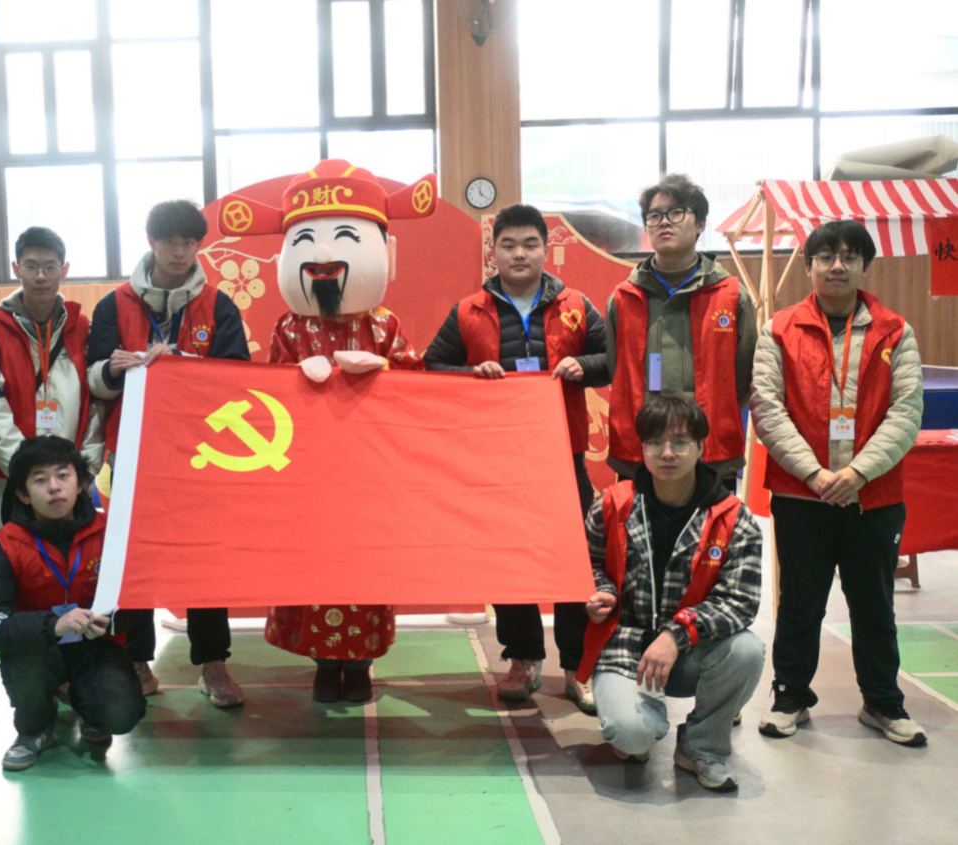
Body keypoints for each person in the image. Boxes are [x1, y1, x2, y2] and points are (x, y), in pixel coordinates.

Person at [216, 159, 437, 702]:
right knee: (311, 566)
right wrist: (297, 378)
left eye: (344, 238)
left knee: (365, 566)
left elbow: (416, 386)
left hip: (369, 477)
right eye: (306, 242)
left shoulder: (385, 324)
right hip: (308, 478)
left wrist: (383, 370)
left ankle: (359, 664)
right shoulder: (288, 328)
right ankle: (322, 661)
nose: (320, 257)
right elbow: (267, 399)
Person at [424, 203, 607, 712]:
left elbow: (613, 359)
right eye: (509, 245)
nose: (519, 253)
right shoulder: (468, 310)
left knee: (574, 561)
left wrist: (583, 365)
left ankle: (577, 667)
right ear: (495, 252)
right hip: (497, 461)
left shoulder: (576, 305)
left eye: (529, 244)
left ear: (546, 250)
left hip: (563, 455)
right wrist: (471, 375)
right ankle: (523, 659)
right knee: (509, 561)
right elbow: (433, 366)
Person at [751, 220, 926, 746]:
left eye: (849, 257)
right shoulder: (778, 329)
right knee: (800, 603)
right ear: (808, 266)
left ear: (864, 266)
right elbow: (766, 407)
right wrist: (814, 473)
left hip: (873, 495)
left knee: (874, 605)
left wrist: (856, 472)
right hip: (800, 495)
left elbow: (907, 411)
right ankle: (790, 697)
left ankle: (882, 702)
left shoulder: (896, 331)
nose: (837, 266)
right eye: (826, 257)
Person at [86, 200, 250, 708]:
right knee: (132, 556)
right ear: (151, 242)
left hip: (199, 456)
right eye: (169, 242)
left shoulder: (219, 306)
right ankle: (138, 661)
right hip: (132, 452)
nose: (179, 252)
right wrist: (116, 370)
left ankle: (213, 662)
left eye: (188, 243)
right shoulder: (114, 305)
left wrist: (179, 365)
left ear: (199, 246)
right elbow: (93, 377)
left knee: (205, 558)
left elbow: (237, 381)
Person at [580, 396, 764, 792]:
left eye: (680, 442)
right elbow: (588, 564)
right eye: (655, 443)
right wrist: (601, 593)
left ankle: (701, 746)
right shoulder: (612, 504)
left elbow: (741, 602)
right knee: (632, 737)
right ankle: (641, 726)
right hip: (626, 646)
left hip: (691, 651)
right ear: (642, 448)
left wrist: (675, 634)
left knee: (747, 650)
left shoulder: (733, 517)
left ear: (700, 448)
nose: (667, 453)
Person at [0, 436, 146, 770]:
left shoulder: (110, 534)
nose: (54, 487)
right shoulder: (8, 542)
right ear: (23, 494)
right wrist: (53, 625)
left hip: (95, 645)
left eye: (63, 475)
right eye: (40, 479)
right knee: (28, 662)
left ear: (81, 483)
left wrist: (112, 622)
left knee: (118, 715)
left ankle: (87, 705)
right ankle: (34, 729)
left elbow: (138, 599)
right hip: (37, 649)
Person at [606, 174, 757, 486]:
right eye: (654, 215)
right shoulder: (623, 298)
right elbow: (614, 370)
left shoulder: (731, 296)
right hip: (640, 453)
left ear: (700, 223)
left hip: (711, 453)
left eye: (676, 213)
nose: (664, 222)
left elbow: (743, 379)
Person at [0, 226, 105, 527]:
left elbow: (98, 405)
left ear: (64, 270)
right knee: (18, 554)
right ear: (16, 269)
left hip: (73, 479)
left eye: (50, 267)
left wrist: (84, 469)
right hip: (10, 479)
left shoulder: (85, 330)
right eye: (30, 266)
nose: (40, 276)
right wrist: (28, 475)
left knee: (75, 553)